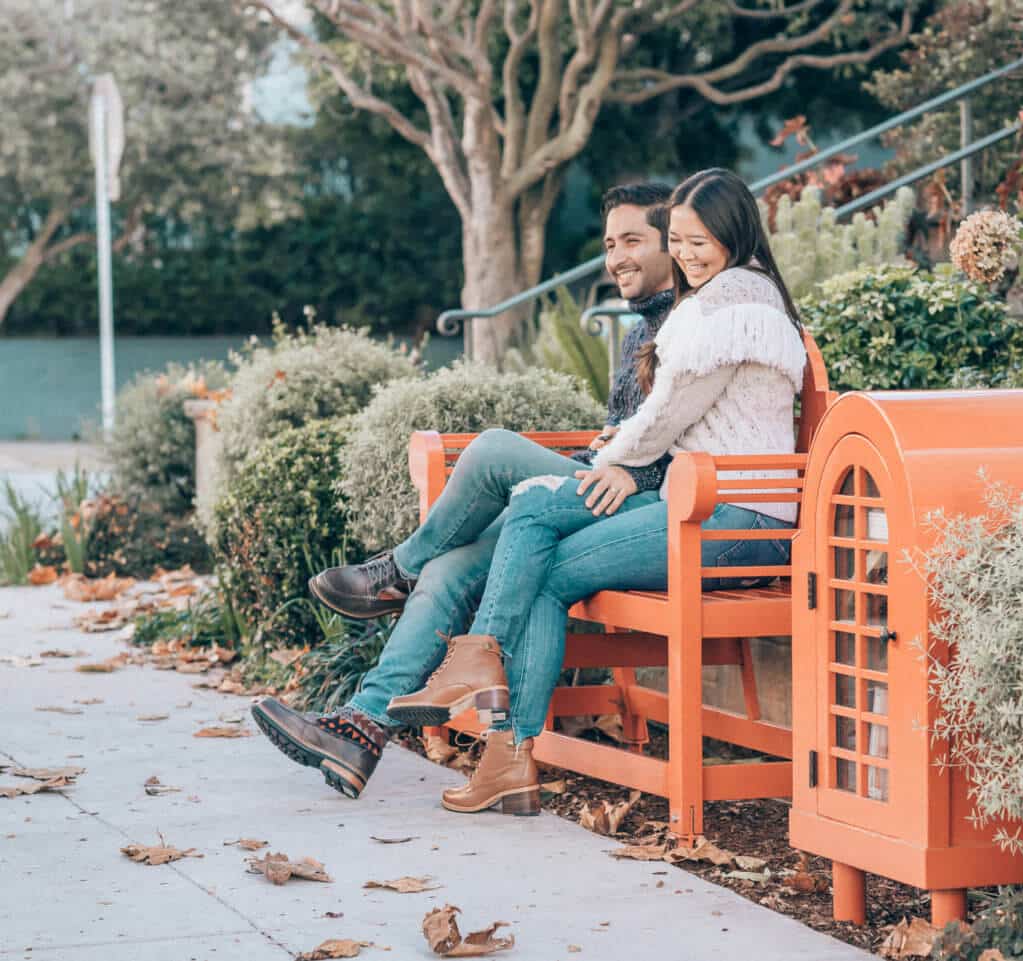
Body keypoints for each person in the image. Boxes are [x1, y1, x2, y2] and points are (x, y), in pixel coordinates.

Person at [251, 183, 676, 799]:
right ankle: (361, 728)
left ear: (677, 245)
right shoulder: (640, 330)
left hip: (638, 508)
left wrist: (620, 461)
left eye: (633, 240)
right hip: (595, 494)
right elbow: (625, 435)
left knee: (495, 449)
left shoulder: (694, 326)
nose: (616, 258)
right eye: (610, 244)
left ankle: (392, 572)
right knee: (449, 570)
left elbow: (677, 448)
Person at [421, 168, 809, 817]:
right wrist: (617, 461)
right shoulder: (725, 297)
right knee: (537, 516)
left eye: (700, 240)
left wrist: (613, 459)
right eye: (679, 241)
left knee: (542, 552)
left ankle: (494, 711)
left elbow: (667, 412)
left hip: (740, 519)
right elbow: (670, 414)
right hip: (700, 503)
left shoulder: (734, 300)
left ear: (735, 231)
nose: (687, 254)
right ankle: (495, 723)